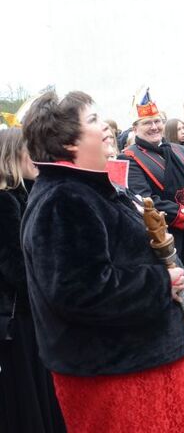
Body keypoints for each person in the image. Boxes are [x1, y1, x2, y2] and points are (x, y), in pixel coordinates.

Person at [21, 91, 184, 432]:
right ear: (68, 142)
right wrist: (160, 284)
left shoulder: (86, 188)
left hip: (143, 366)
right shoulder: (64, 199)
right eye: (93, 120)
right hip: (124, 376)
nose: (107, 127)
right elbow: (78, 291)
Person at [0, 128, 65, 433]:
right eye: (31, 151)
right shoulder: (5, 202)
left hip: (31, 313)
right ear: (13, 155)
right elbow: (14, 267)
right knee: (29, 399)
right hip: (19, 319)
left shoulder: (26, 193)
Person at [120, 90, 184, 292]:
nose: (154, 127)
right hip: (164, 239)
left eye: (157, 121)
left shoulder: (181, 150)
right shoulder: (129, 158)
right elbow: (144, 200)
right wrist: (183, 215)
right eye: (147, 123)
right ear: (135, 128)